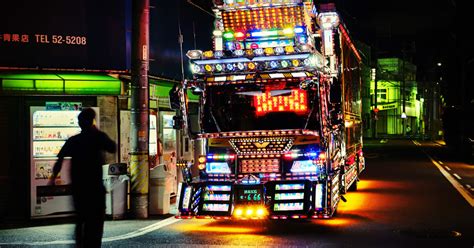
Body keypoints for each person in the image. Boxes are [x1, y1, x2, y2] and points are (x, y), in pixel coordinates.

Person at [49, 108, 116, 248]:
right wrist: (97, 131)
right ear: (92, 121)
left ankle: (80, 245)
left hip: (79, 189)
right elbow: (113, 148)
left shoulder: (74, 140)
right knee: (96, 223)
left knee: (80, 220)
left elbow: (60, 159)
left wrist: (52, 178)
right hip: (95, 189)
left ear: (80, 123)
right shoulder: (98, 137)